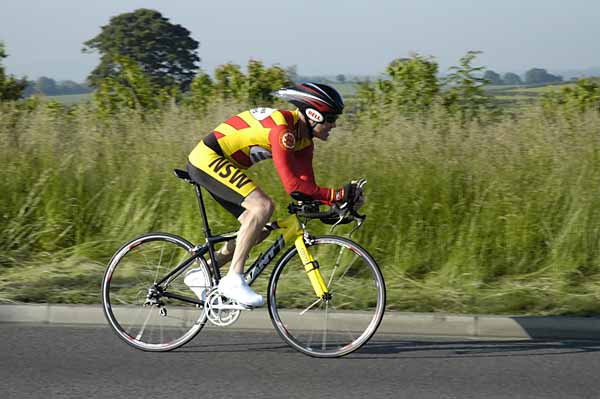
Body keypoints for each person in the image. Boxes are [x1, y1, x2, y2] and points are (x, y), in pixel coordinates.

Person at [184, 82, 362, 307]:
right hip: (207, 158)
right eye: (330, 118)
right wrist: (337, 194)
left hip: (225, 163)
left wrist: (338, 204)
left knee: (257, 231)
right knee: (263, 207)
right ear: (313, 114)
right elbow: (293, 186)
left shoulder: (305, 141)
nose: (334, 125)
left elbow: (306, 190)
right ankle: (233, 279)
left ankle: (204, 273)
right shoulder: (283, 131)